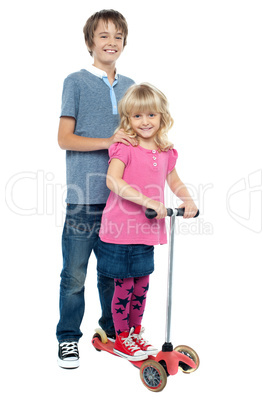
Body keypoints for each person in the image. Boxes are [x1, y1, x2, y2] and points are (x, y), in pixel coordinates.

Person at [56, 9, 137, 369]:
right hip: (83, 198)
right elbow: (64, 139)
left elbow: (138, 138)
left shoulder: (131, 86)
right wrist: (109, 140)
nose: (111, 43)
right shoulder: (75, 81)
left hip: (120, 200)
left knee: (113, 274)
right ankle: (68, 339)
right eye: (103, 36)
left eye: (117, 36)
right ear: (91, 42)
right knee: (74, 275)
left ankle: (112, 334)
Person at [97, 83, 198, 360]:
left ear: (162, 117)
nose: (145, 122)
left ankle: (135, 333)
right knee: (125, 286)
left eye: (151, 115)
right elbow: (113, 180)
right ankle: (121, 338)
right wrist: (148, 201)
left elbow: (174, 181)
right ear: (128, 119)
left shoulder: (166, 150)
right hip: (120, 230)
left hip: (148, 230)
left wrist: (187, 199)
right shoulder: (124, 147)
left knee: (142, 285)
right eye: (137, 116)